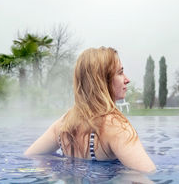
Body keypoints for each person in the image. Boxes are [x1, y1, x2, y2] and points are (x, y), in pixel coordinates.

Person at [24, 47, 156, 173]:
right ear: (103, 81)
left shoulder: (64, 123)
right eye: (120, 73)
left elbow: (31, 155)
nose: (127, 80)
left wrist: (53, 173)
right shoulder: (116, 127)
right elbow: (146, 175)